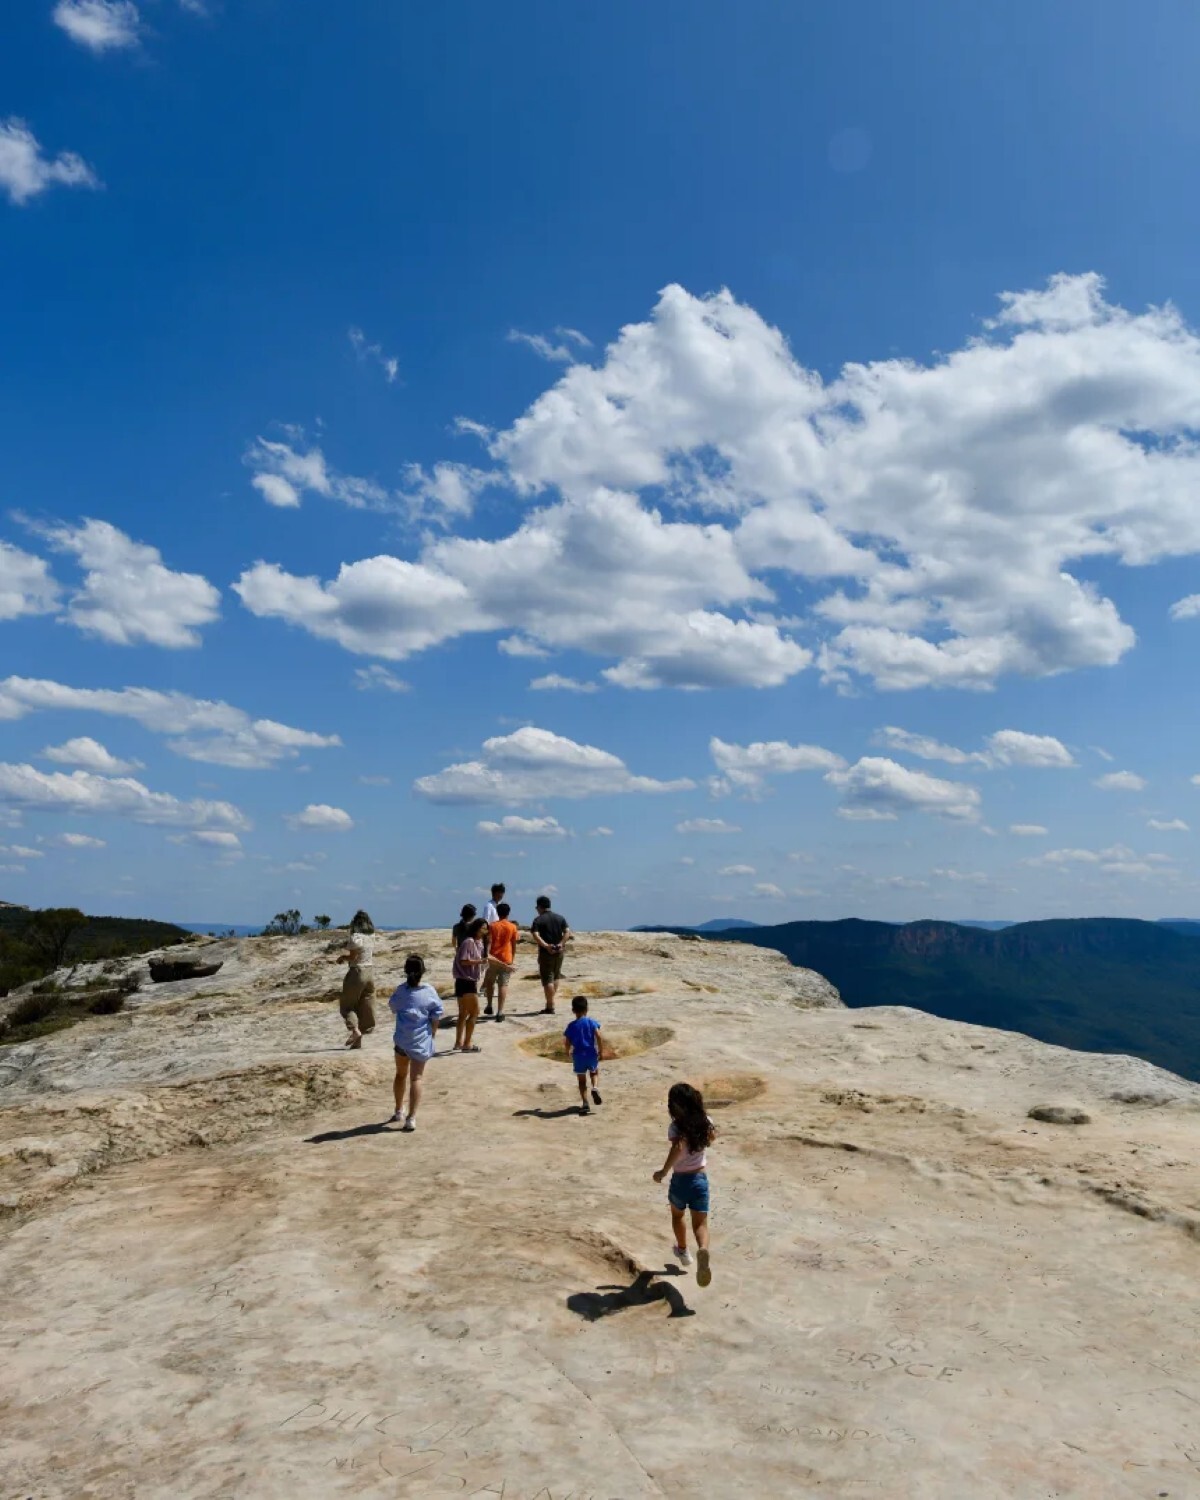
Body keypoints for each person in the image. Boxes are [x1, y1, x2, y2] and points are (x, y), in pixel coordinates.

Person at [653, 1082, 715, 1287]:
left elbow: (677, 1148)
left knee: (678, 1216)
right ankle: (703, 1249)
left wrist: (663, 1171)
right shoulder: (706, 1122)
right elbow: (711, 1139)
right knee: (700, 1223)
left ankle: (682, 1250)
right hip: (700, 1180)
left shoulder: (676, 1127)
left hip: (680, 1180)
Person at [387, 954, 443, 1131]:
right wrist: (433, 1033)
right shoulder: (429, 991)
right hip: (421, 1041)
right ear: (422, 972)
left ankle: (398, 1110)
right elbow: (436, 1014)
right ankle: (411, 1117)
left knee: (400, 1075)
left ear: (405, 971)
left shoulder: (401, 991)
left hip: (402, 1040)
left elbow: (393, 1007)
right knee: (416, 1078)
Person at [336, 909, 376, 1049]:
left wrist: (342, 958)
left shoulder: (356, 937)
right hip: (370, 972)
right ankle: (359, 1040)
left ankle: (355, 1031)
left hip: (357, 971)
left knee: (347, 1006)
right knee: (365, 1006)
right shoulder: (371, 936)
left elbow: (353, 957)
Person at [563, 994, 603, 1115]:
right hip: (591, 1053)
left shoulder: (571, 1026)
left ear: (573, 1010)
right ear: (587, 1009)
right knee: (594, 1072)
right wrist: (601, 1050)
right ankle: (595, 1088)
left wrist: (567, 1051)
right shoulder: (591, 1022)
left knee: (581, 1081)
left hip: (578, 1056)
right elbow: (599, 1036)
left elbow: (567, 1042)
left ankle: (585, 1103)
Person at [530, 895, 570, 1014]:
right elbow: (567, 932)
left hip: (546, 953)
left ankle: (550, 1005)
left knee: (548, 978)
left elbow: (536, 935)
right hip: (559, 951)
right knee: (556, 976)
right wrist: (561, 944)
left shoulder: (538, 920)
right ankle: (550, 1002)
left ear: (539, 907)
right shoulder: (560, 918)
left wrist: (546, 946)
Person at [452, 916, 487, 1052]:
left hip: (464, 981)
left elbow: (486, 957)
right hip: (466, 981)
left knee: (463, 1013)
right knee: (475, 1012)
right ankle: (467, 1044)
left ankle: (458, 1043)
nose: (485, 930)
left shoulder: (478, 942)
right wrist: (479, 962)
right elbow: (463, 961)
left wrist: (504, 965)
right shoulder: (469, 942)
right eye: (483, 928)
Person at [482, 900, 519, 1019]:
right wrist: (512, 958)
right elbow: (513, 944)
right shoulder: (512, 927)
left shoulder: (492, 926)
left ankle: (489, 1005)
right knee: (503, 985)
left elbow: (488, 942)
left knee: (490, 982)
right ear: (508, 913)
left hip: (493, 958)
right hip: (506, 958)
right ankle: (500, 1011)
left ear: (497, 912)